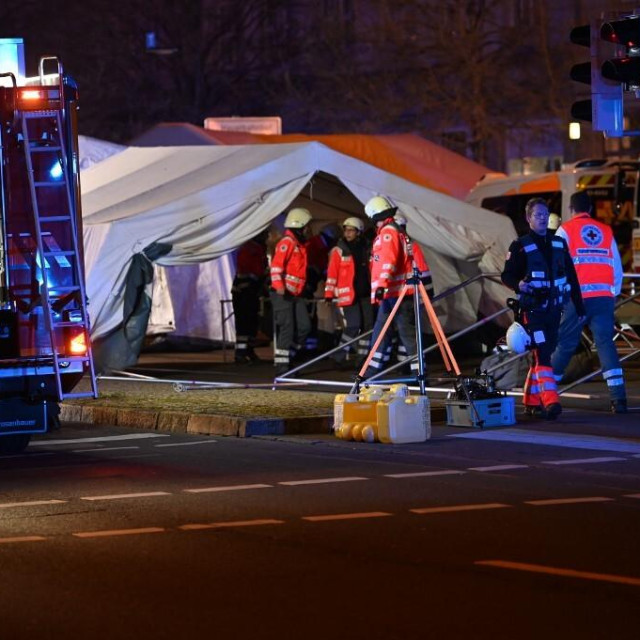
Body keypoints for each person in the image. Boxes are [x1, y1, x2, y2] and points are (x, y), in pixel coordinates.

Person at [501, 197, 585, 420]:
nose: (542, 219)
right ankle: (551, 402)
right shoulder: (519, 246)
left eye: (545, 215)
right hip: (533, 311)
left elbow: (572, 277)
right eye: (538, 215)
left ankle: (531, 401)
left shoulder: (558, 243)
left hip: (554, 311)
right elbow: (506, 275)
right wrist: (518, 284)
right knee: (543, 355)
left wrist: (579, 304)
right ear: (528, 218)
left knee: (540, 356)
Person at [551, 191, 627, 413]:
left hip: (576, 298)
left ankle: (545, 391)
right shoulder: (605, 231)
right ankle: (618, 398)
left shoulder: (565, 230)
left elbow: (558, 265)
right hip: (603, 298)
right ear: (591, 209)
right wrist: (613, 293)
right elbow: (617, 268)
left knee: (565, 344)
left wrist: (559, 294)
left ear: (571, 210)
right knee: (605, 344)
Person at [362, 196, 433, 379]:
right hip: (395, 293)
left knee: (404, 333)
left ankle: (419, 372)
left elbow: (388, 261)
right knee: (382, 332)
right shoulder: (396, 231)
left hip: (396, 293)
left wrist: (381, 285)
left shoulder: (388, 233)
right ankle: (372, 370)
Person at [324, 216, 373, 366]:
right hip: (348, 295)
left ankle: (362, 359)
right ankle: (338, 356)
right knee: (353, 326)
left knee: (368, 327)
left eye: (351, 230)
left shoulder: (367, 247)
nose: (348, 233)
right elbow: (332, 273)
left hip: (366, 293)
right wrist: (328, 293)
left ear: (359, 232)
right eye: (346, 230)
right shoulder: (339, 250)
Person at [270, 208, 313, 374]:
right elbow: (276, 268)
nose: (308, 229)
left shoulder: (298, 244)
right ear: (300, 225)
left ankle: (289, 356)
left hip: (295, 294)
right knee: (287, 328)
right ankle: (282, 366)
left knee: (304, 326)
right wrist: (280, 288)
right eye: (306, 226)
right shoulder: (286, 243)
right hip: (283, 294)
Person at [231, 230, 268, 363]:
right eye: (265, 233)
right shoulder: (250, 248)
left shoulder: (258, 248)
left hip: (251, 291)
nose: (268, 236)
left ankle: (248, 351)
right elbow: (252, 271)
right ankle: (240, 353)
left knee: (251, 323)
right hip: (244, 292)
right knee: (244, 324)